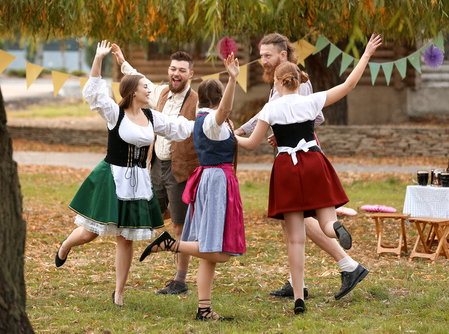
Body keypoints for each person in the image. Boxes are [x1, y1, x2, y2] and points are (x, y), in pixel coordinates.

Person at [236, 33, 383, 314]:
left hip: (287, 168)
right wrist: (365, 55)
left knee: (294, 238)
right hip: (314, 162)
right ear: (298, 80)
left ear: (279, 83)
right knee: (326, 221)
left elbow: (252, 143)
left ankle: (298, 299)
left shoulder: (271, 106)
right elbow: (349, 84)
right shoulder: (311, 100)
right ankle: (335, 228)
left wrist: (233, 138)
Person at [54, 40, 194, 306]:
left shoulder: (153, 117)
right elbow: (94, 94)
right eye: (144, 87)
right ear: (132, 92)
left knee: (126, 238)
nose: (149, 90)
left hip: (138, 182)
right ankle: (65, 246)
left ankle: (118, 293)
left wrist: (211, 123)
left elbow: (180, 127)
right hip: (112, 178)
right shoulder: (114, 113)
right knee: (89, 233)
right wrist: (98, 60)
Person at [140, 53, 244, 321]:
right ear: (218, 98)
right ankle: (171, 244)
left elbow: (226, 127)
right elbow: (225, 112)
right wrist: (233, 78)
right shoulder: (212, 119)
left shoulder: (200, 120)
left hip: (211, 182)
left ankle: (204, 309)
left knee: (210, 254)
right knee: (217, 252)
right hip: (216, 184)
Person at [112, 46, 199, 295]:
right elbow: (141, 81)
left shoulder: (196, 99)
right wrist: (123, 62)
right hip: (155, 165)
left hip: (180, 169)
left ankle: (180, 281)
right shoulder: (158, 93)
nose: (176, 73)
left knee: (181, 227)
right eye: (173, 69)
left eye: (182, 70)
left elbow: (210, 116)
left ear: (190, 74)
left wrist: (224, 121)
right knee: (154, 212)